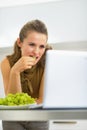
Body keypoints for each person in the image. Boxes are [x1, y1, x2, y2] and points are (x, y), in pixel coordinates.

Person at [1, 19, 52, 130]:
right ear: (20, 42)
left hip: (38, 117)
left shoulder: (48, 62)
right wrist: (15, 71)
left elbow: (41, 100)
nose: (36, 52)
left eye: (42, 46)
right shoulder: (6, 63)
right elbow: (13, 102)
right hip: (13, 118)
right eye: (32, 45)